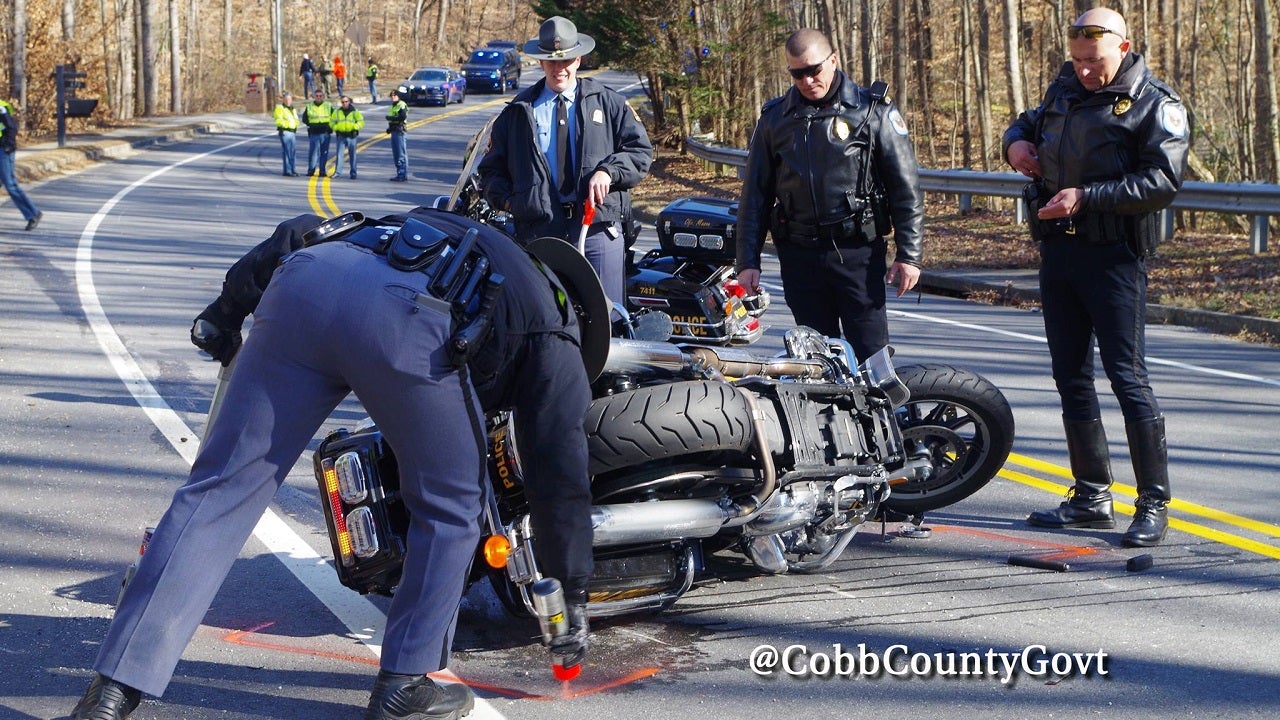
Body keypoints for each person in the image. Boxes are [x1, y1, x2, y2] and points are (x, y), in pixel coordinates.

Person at [68, 208, 594, 720]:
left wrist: (224, 313)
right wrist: (571, 588)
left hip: (305, 285)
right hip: (406, 320)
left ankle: (110, 694)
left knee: (217, 491)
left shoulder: (451, 226)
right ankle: (404, 685)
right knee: (454, 505)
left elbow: (305, 232)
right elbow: (557, 469)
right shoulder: (558, 324)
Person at [1005, 7, 1189, 547]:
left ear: (1125, 45)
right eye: (1079, 60)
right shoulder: (1064, 89)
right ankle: (1091, 496)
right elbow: (1027, 120)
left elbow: (1161, 180)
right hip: (1058, 254)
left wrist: (1087, 197)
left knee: (1128, 379)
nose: (1086, 70)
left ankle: (1152, 503)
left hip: (1113, 257)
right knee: (1070, 377)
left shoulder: (1156, 102)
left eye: (1096, 61)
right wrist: (1015, 144)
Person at [734, 28, 923, 365]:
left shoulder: (871, 111)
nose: (807, 80)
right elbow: (755, 197)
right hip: (800, 256)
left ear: (833, 60)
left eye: (814, 70)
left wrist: (910, 254)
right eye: (797, 73)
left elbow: (905, 189)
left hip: (856, 254)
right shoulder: (775, 119)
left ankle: (887, 417)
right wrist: (747, 261)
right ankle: (824, 420)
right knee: (816, 361)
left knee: (872, 358)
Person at [478, 15, 653, 309]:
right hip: (540, 230)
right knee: (547, 320)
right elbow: (491, 171)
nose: (559, 68)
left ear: (579, 59)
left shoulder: (607, 102)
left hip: (597, 228)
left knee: (607, 320)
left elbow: (640, 153)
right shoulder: (518, 113)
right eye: (551, 62)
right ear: (541, 63)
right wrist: (512, 203)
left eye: (566, 60)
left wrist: (609, 172)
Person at [0, 97, 42, 230]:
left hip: (3, 150)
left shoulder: (1, 108)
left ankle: (33, 213)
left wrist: (9, 144)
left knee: (10, 185)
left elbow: (12, 127)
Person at [301, 89, 334, 177]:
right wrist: (311, 125)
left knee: (324, 153)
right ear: (314, 97)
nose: (318, 97)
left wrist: (330, 127)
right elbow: (304, 119)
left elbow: (334, 117)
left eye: (320, 96)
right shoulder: (309, 106)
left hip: (325, 133)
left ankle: (322, 171)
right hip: (314, 133)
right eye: (317, 96)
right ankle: (311, 170)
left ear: (323, 96)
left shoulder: (328, 106)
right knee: (313, 153)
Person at [331, 95, 364, 179]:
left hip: (351, 136)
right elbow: (331, 122)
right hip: (341, 136)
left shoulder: (355, 112)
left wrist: (354, 127)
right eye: (343, 102)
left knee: (352, 155)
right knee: (339, 155)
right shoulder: (337, 112)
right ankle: (337, 172)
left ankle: (353, 173)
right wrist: (336, 128)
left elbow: (361, 122)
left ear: (349, 102)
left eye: (346, 101)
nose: (344, 103)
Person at [272, 92, 300, 177]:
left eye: (289, 99)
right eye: (286, 99)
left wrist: (295, 125)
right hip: (285, 132)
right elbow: (278, 121)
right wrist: (287, 125)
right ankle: (288, 170)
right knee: (287, 152)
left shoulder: (293, 109)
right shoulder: (280, 108)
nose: (288, 101)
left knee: (292, 152)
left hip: (292, 132)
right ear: (283, 100)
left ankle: (293, 169)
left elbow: (296, 120)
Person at [386, 88, 408, 181]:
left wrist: (391, 118)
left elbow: (402, 116)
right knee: (396, 154)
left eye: (394, 95)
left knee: (401, 154)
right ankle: (399, 172)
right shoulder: (392, 106)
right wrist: (389, 128)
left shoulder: (401, 104)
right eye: (391, 96)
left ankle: (402, 174)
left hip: (399, 131)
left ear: (398, 96)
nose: (393, 97)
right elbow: (392, 121)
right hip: (394, 131)